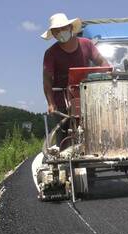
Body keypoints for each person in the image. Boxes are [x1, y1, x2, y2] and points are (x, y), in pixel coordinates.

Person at [41, 13, 108, 146]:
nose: (60, 33)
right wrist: (51, 103)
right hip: (62, 96)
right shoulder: (51, 53)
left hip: (87, 93)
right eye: (56, 31)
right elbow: (47, 80)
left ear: (71, 28)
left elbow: (102, 62)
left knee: (96, 125)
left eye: (63, 28)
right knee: (63, 130)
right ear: (53, 35)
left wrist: (106, 70)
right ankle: (65, 158)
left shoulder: (86, 44)